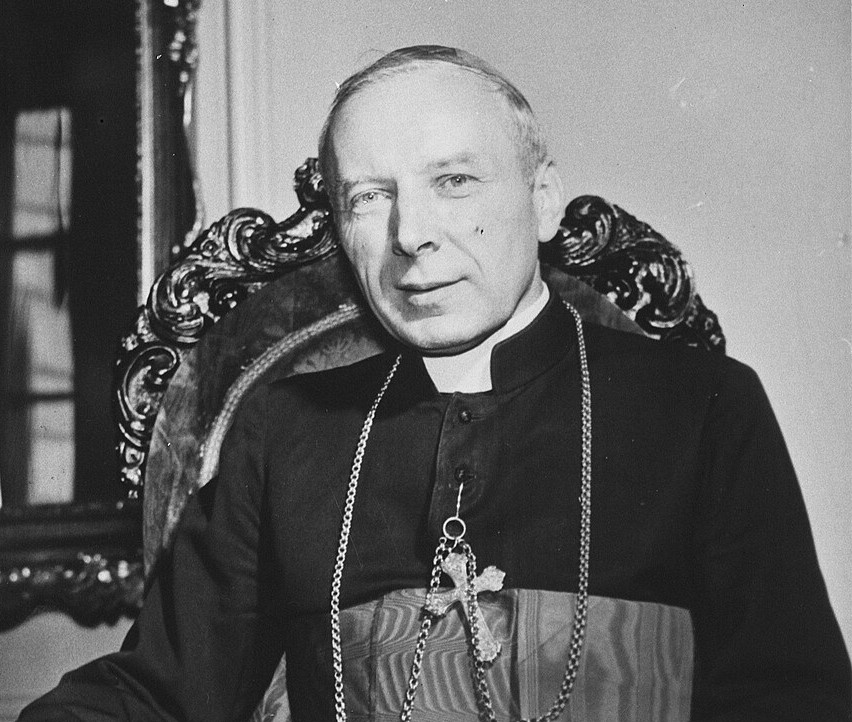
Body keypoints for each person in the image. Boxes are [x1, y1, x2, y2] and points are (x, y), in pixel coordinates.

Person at [20, 45, 850, 722]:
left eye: (454, 181)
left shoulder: (703, 408)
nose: (411, 233)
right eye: (369, 197)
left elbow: (792, 701)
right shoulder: (285, 429)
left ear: (544, 199)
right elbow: (158, 696)